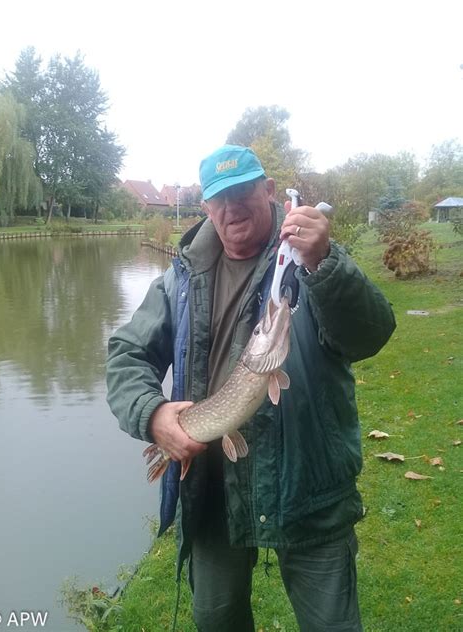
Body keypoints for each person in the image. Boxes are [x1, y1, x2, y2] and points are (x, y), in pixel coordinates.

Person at [106, 144, 396, 631]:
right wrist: (154, 416)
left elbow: (370, 333)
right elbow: (126, 355)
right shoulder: (180, 279)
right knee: (217, 620)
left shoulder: (306, 259)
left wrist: (325, 262)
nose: (232, 206)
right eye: (219, 197)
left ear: (267, 191)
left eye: (244, 191)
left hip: (308, 483)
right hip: (216, 489)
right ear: (205, 207)